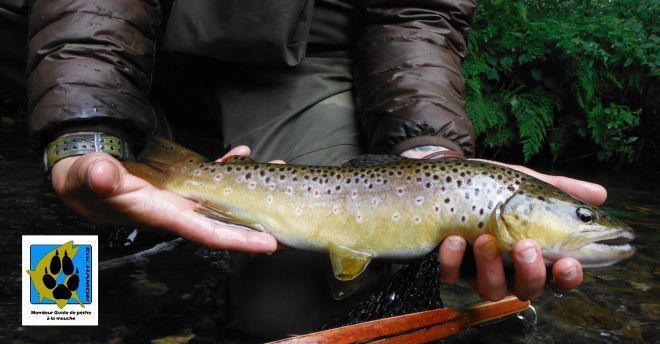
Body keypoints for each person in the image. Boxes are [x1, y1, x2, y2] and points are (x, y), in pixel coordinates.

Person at [2, 0, 606, 339]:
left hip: (308, 61)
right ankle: (61, 308)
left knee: (290, 318)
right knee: (70, 251)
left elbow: (417, 11)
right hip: (105, 43)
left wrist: (427, 150)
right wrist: (81, 128)